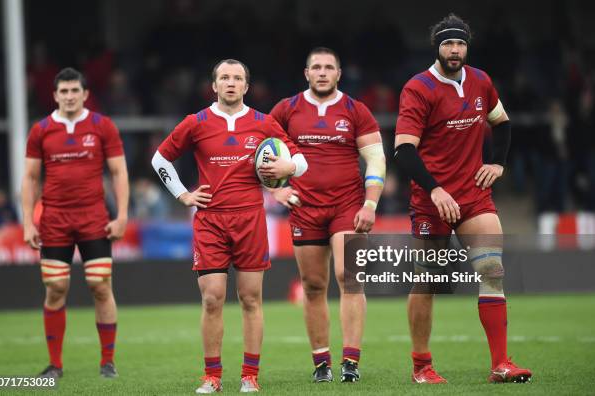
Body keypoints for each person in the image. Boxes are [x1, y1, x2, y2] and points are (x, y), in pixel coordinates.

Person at [151, 59, 307, 394]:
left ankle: (250, 376)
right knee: (212, 299)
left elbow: (302, 162)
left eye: (237, 78)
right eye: (225, 77)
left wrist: (287, 166)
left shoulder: (263, 123)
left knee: (251, 298)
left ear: (246, 87)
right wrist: (182, 195)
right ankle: (212, 377)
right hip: (210, 221)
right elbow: (160, 159)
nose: (231, 83)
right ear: (214, 85)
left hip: (250, 218)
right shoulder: (197, 122)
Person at [393, 14, 532, 384]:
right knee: (427, 281)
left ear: (467, 46)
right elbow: (404, 151)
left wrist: (498, 164)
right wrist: (435, 188)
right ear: (436, 47)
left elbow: (501, 121)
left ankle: (501, 363)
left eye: (460, 44)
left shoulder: (481, 81)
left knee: (492, 272)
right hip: (431, 200)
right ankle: (421, 366)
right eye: (447, 43)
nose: (454, 50)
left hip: (472, 197)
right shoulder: (418, 88)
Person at [270, 47, 385, 383]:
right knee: (313, 284)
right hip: (304, 208)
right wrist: (276, 190)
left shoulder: (356, 110)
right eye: (316, 67)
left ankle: (351, 361)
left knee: (348, 275)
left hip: (348, 206)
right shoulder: (286, 109)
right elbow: (259, 153)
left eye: (328, 67)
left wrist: (370, 203)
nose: (322, 72)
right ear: (306, 73)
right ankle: (322, 363)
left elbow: (376, 159)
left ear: (339, 73)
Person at [21, 67, 129, 379]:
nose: (69, 96)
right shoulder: (41, 130)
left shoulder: (102, 126)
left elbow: (119, 172)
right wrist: (28, 222)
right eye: (63, 91)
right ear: (54, 96)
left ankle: (107, 362)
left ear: (85, 94)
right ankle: (55, 364)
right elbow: (29, 178)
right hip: (54, 217)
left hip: (94, 215)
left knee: (100, 284)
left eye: (74, 91)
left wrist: (122, 216)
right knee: (56, 288)